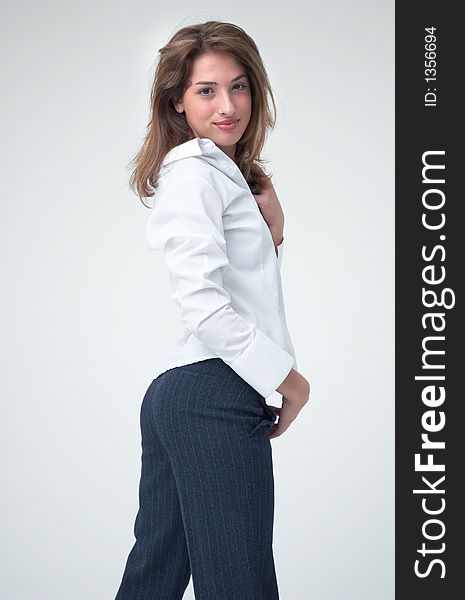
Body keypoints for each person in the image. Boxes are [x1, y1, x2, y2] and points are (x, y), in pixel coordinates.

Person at [114, 20, 310, 600]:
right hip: (215, 393)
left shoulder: (218, 175)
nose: (227, 105)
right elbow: (206, 307)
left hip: (186, 392)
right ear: (177, 99)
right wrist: (291, 383)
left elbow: (242, 283)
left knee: (156, 573)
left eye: (240, 86)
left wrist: (272, 227)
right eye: (206, 90)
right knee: (239, 583)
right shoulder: (194, 173)